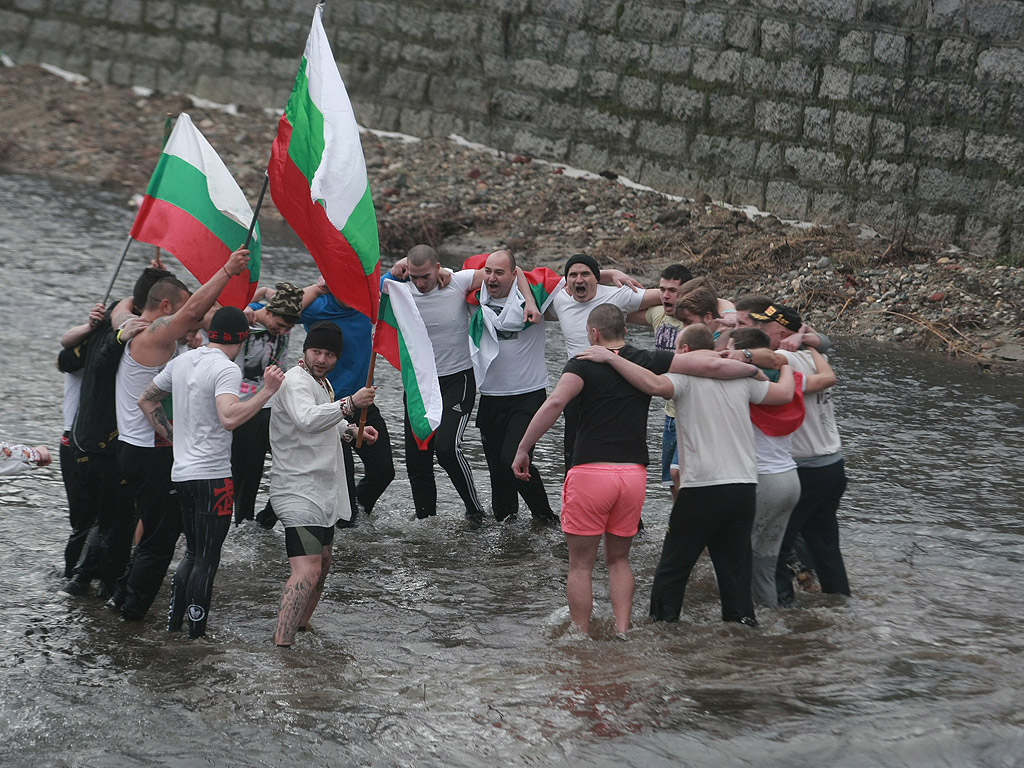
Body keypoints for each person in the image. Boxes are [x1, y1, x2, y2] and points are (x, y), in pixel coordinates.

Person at [513, 306, 757, 636]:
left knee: (581, 565)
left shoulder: (582, 363)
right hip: (632, 475)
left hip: (591, 472)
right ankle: (623, 631)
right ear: (625, 332)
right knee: (619, 560)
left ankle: (581, 636)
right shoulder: (645, 359)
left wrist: (523, 448)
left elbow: (555, 404)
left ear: (593, 334)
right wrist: (750, 364)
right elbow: (711, 364)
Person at [579, 323, 794, 626]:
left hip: (702, 488)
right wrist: (784, 364)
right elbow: (785, 394)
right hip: (744, 487)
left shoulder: (684, 377)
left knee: (673, 568)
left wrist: (612, 358)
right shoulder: (741, 377)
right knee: (735, 569)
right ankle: (743, 631)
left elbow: (651, 385)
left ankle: (662, 631)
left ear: (684, 351)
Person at [113, 248, 252, 619]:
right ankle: (133, 612)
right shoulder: (155, 335)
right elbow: (192, 314)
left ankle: (121, 596)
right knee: (163, 542)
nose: (189, 326)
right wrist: (226, 269)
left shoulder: (138, 329)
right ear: (163, 308)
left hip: (134, 448)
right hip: (150, 451)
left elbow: (148, 396)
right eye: (181, 313)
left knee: (151, 531)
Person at [139, 306, 284, 639]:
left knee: (191, 552)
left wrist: (175, 438)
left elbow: (146, 399)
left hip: (183, 474)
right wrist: (267, 391)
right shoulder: (226, 368)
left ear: (209, 333)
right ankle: (196, 635)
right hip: (214, 477)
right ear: (242, 339)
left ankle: (174, 627)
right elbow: (230, 417)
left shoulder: (183, 360)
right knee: (207, 557)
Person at [268, 322, 378, 647]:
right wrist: (351, 404)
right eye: (316, 351)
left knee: (323, 564)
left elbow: (318, 421)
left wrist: (350, 431)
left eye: (330, 354)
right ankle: (282, 645)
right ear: (305, 349)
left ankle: (300, 628)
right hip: (298, 489)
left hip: (322, 491)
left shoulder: (322, 383)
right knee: (307, 570)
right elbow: (306, 418)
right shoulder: (294, 382)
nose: (322, 358)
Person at [740, 303, 851, 604]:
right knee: (826, 546)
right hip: (833, 465)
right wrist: (809, 338)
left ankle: (782, 619)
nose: (759, 333)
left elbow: (765, 357)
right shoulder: (820, 356)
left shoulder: (783, 359)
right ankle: (840, 605)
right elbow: (823, 347)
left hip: (804, 468)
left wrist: (744, 353)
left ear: (784, 333)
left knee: (777, 549)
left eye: (766, 329)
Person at [382, 245, 487, 524]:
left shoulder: (458, 281)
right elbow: (373, 287)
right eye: (414, 276)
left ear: (437, 268)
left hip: (458, 379)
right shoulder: (399, 287)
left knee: (446, 448)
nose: (419, 283)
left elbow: (498, 269)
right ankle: (426, 523)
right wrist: (398, 264)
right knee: (418, 460)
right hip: (420, 384)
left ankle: (475, 511)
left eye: (425, 276)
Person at [544, 253, 660, 474]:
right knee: (573, 455)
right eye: (573, 275)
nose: (579, 279)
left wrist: (725, 307)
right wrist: (612, 272)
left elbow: (665, 296)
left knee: (612, 452)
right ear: (566, 281)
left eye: (585, 274)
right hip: (576, 386)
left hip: (612, 387)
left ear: (596, 278)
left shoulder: (619, 296)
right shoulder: (559, 300)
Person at [295, 277, 394, 525]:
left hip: (362, 404)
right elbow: (282, 310)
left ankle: (357, 514)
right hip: (326, 407)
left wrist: (402, 265)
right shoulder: (319, 306)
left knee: (383, 471)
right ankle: (273, 519)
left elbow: (387, 274)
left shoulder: (369, 304)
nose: (351, 295)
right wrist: (316, 288)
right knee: (342, 483)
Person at [471, 249, 559, 524]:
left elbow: (578, 286)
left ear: (514, 274)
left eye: (499, 273)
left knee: (513, 460)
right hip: (490, 397)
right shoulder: (474, 299)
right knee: (498, 472)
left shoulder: (537, 301)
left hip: (527, 397)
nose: (492, 278)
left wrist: (611, 274)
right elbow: (436, 277)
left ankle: (546, 519)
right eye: (488, 272)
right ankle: (506, 532)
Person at [232, 282, 304, 524]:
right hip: (244, 407)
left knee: (297, 464)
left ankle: (266, 519)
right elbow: (218, 313)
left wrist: (265, 292)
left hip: (274, 407)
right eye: (280, 325)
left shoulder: (283, 325)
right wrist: (251, 300)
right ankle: (244, 523)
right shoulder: (244, 319)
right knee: (246, 474)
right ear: (269, 312)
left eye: (288, 327)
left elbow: (296, 296)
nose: (282, 331)